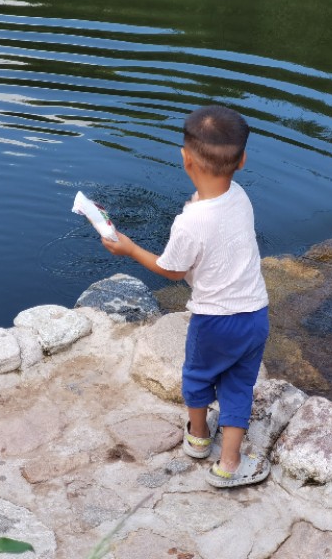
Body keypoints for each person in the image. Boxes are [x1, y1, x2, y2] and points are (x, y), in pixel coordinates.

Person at [101, 104, 270, 488]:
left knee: (197, 374)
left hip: (212, 321)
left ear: (185, 158)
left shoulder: (189, 223)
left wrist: (130, 249)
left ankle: (198, 437)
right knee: (238, 387)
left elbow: (172, 270)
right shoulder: (240, 196)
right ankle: (230, 464)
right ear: (242, 161)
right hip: (253, 316)